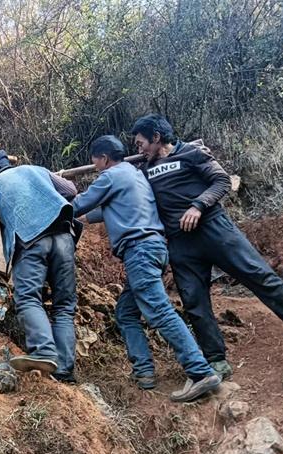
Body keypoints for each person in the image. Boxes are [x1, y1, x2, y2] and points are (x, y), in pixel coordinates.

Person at [130, 114, 283, 379]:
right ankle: (216, 360)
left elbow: (222, 181)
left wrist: (197, 205)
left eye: (141, 142)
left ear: (156, 137)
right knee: (194, 301)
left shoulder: (191, 153)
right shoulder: (144, 170)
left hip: (215, 229)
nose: (139, 149)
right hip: (180, 243)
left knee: (257, 273)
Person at [73, 136, 221, 401]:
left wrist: (54, 209)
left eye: (95, 160)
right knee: (126, 313)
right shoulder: (134, 175)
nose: (94, 165)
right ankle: (144, 373)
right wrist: (83, 218)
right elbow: (103, 210)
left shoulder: (110, 176)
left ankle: (200, 372)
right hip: (153, 249)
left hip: (139, 251)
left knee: (160, 311)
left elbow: (80, 203)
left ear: (103, 158)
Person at [0, 165, 81, 383]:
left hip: (31, 241)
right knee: (64, 306)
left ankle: (44, 350)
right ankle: (64, 371)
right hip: (65, 238)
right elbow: (71, 190)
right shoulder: (35, 169)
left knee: (28, 298)